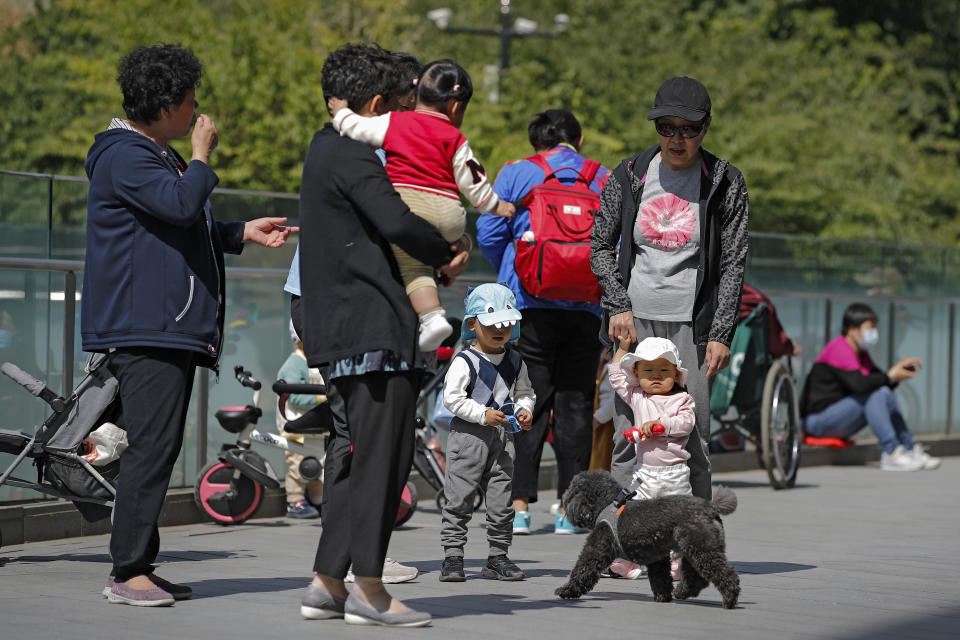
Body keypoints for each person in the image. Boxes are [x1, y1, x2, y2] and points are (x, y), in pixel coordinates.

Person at [82, 44, 296, 606]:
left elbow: (178, 222)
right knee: (152, 449)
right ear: (166, 105)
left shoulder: (152, 156)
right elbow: (179, 208)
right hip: (143, 326)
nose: (198, 110)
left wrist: (239, 231)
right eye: (190, 101)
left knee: (157, 446)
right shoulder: (125, 156)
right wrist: (201, 155)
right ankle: (126, 571)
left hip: (163, 326)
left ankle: (140, 566)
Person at [296, 43, 469, 628]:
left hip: (342, 326)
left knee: (351, 458)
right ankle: (369, 587)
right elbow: (395, 219)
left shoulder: (326, 146)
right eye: (400, 108)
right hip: (370, 324)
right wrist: (446, 253)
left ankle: (327, 582)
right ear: (375, 105)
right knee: (381, 461)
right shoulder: (355, 152)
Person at [590, 76, 749, 501]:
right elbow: (600, 245)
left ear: (706, 127)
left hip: (692, 327)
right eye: (666, 127)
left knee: (694, 439)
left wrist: (720, 333)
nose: (676, 138)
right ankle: (622, 539)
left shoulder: (724, 182)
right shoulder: (628, 175)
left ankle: (693, 544)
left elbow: (734, 261)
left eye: (688, 129)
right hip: (635, 323)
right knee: (628, 435)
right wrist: (618, 304)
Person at [477, 109, 610, 535]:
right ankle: (570, 513)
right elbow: (619, 243)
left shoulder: (518, 173)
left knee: (525, 402)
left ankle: (517, 509)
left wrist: (514, 274)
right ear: (580, 138)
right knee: (574, 406)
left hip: (530, 307)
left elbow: (489, 232)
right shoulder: (604, 177)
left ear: (537, 143)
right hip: (587, 308)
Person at [329, 58, 515, 351]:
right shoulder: (456, 137)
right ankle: (440, 270)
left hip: (408, 205)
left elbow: (355, 128)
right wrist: (498, 206)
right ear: (455, 107)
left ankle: (432, 317)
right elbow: (474, 184)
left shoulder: (395, 122)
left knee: (412, 267)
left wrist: (340, 111)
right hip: (450, 214)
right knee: (428, 256)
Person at [438, 283, 536, 582]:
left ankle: (497, 557)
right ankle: (453, 556)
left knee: (501, 501)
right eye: (492, 324)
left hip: (503, 438)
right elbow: (452, 398)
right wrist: (483, 415)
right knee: (459, 499)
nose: (500, 331)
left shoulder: (516, 360)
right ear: (472, 324)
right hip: (469, 437)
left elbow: (526, 392)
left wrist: (525, 409)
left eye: (507, 324)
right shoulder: (465, 360)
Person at [800, 303, 940, 471]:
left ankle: (909, 448)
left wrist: (897, 376)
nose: (874, 333)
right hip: (817, 422)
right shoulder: (838, 348)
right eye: (870, 328)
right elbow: (860, 385)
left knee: (883, 392)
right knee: (877, 393)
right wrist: (890, 376)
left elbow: (879, 381)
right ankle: (891, 452)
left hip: (839, 418)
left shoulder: (861, 352)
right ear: (852, 329)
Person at [609, 336, 697, 580]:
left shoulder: (682, 399)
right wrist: (623, 349)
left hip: (675, 473)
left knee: (678, 520)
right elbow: (616, 376)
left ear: (676, 374)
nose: (656, 376)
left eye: (663, 370)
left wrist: (662, 425)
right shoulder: (638, 396)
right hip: (645, 473)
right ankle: (626, 559)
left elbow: (686, 423)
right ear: (636, 374)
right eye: (648, 370)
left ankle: (676, 561)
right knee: (631, 515)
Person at [276, 321, 325, 519]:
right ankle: (295, 502)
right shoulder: (295, 363)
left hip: (313, 428)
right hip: (295, 426)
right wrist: (323, 397)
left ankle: (320, 501)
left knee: (317, 467)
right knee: (298, 466)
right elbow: (294, 396)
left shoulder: (315, 361)